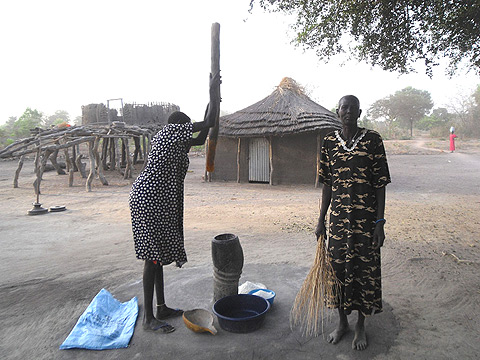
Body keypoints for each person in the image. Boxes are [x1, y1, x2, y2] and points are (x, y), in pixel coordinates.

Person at [129, 73, 221, 333]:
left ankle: (161, 307)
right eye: (188, 126)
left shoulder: (174, 142)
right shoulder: (169, 132)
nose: (189, 130)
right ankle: (149, 320)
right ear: (180, 126)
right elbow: (210, 122)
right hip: (149, 200)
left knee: (156, 255)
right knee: (151, 257)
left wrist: (212, 101)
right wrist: (213, 93)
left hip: (155, 201)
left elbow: (203, 136)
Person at [315, 95, 391, 350]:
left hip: (366, 221)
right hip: (337, 222)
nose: (348, 112)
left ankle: (360, 325)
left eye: (353, 108)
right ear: (337, 112)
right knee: (337, 272)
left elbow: (380, 184)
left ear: (360, 112)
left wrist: (379, 221)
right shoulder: (328, 143)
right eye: (344, 107)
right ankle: (342, 322)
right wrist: (320, 220)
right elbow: (327, 184)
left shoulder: (373, 140)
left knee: (363, 271)